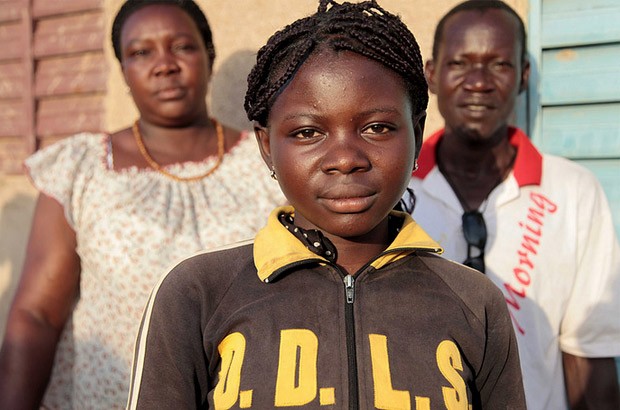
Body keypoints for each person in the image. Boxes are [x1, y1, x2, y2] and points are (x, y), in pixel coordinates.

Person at [126, 1, 527, 408]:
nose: (345, 158)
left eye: (377, 128)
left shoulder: (474, 302)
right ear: (267, 147)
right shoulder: (197, 294)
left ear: (417, 132)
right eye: (307, 132)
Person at [0, 1, 285, 408]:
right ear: (124, 73)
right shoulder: (83, 169)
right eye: (141, 52)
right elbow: (37, 315)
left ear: (208, 56)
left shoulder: (266, 164)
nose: (164, 64)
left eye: (182, 47)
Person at [407, 1, 620, 409]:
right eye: (460, 63)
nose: (478, 82)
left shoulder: (574, 192)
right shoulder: (393, 193)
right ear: (431, 75)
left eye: (499, 65)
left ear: (523, 75)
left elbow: (589, 362)